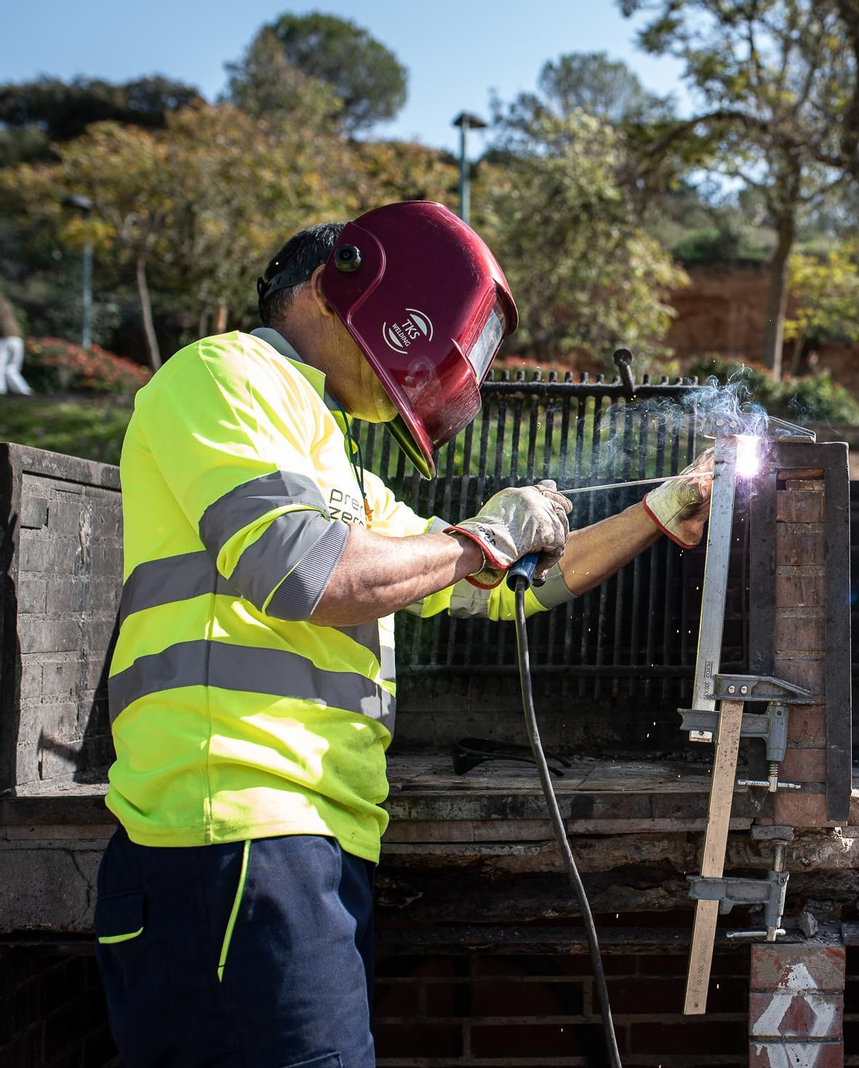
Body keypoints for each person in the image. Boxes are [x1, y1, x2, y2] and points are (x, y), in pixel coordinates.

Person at [93, 202, 711, 1068]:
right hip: (230, 835)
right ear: (339, 282)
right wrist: (480, 540)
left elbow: (498, 593)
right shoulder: (222, 373)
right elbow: (303, 570)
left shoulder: (335, 464)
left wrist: (660, 510)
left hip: (303, 843)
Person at [0, 291, 30, 395]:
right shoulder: (7, 304)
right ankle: (24, 391)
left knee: (1, 366)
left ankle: (1, 391)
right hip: (17, 339)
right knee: (11, 369)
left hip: (5, 340)